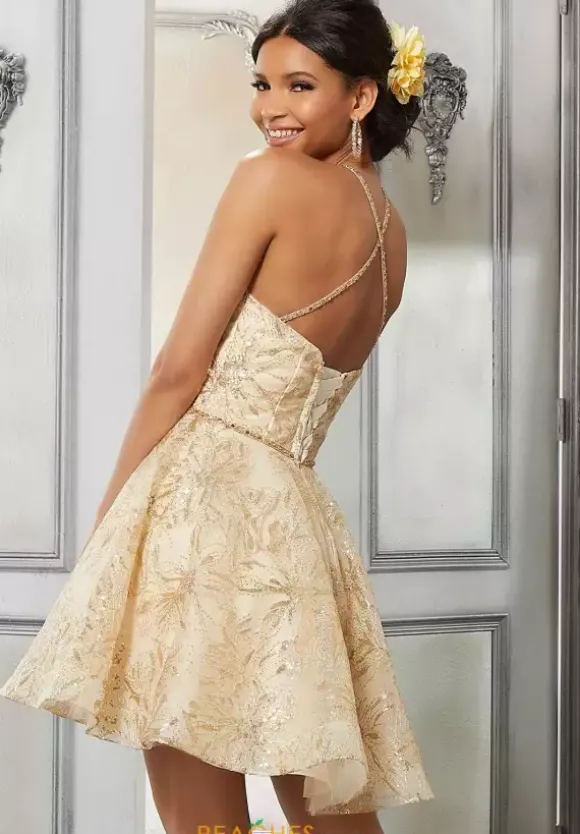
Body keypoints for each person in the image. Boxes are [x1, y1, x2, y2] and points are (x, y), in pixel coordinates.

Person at [0, 0, 433, 831]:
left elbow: (177, 371)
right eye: (262, 83)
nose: (270, 107)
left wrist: (112, 522)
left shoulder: (269, 179)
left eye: (300, 85)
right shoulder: (394, 237)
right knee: (324, 800)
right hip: (294, 522)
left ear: (361, 96)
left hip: (202, 506)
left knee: (203, 814)